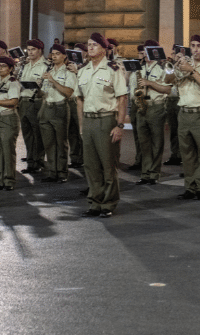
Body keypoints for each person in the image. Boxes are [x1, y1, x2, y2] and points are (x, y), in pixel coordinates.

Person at [75, 33, 128, 217]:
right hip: (89, 120)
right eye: (88, 45)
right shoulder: (82, 70)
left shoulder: (113, 69)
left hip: (106, 119)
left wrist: (119, 125)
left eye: (94, 45)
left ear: (104, 49)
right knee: (90, 165)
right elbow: (79, 99)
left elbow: (122, 98)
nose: (90, 48)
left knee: (108, 164)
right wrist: (81, 125)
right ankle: (94, 202)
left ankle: (108, 203)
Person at [169, 35, 200, 200]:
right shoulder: (185, 63)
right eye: (193, 46)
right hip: (184, 112)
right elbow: (167, 80)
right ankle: (189, 187)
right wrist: (175, 66)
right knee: (187, 153)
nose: (195, 49)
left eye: (199, 46)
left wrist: (191, 71)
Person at [130, 39, 171, 185]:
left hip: (156, 107)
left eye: (149, 51)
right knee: (144, 142)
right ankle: (145, 173)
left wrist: (150, 83)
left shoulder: (162, 68)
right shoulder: (139, 68)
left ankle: (154, 173)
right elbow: (133, 88)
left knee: (156, 142)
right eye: (144, 51)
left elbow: (168, 89)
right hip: (142, 106)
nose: (145, 55)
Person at [39, 43, 76, 183]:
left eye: (57, 54)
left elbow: (69, 92)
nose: (54, 56)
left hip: (60, 108)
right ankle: (51, 171)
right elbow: (44, 92)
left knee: (61, 142)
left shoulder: (68, 72)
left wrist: (53, 81)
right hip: (47, 106)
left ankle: (62, 172)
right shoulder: (49, 71)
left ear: (64, 56)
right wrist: (37, 88)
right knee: (49, 142)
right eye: (52, 54)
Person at [0, 57, 21, 191]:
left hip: (7, 118)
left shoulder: (12, 82)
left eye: (3, 66)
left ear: (10, 69)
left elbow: (13, 102)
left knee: (7, 150)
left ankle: (9, 180)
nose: (0, 68)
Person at [18, 39, 49, 174]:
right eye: (28, 49)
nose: (30, 52)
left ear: (40, 50)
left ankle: (38, 160)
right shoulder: (25, 65)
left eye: (33, 49)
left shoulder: (46, 66)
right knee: (27, 133)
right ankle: (31, 161)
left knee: (38, 133)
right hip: (24, 101)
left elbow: (46, 87)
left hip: (37, 100)